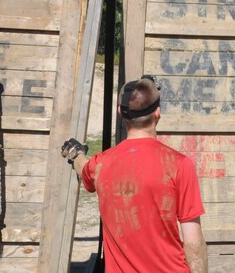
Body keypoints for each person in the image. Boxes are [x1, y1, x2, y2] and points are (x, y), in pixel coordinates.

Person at [62, 75, 207, 272]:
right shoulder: (179, 165)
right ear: (158, 112)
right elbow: (193, 244)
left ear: (120, 112)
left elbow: (83, 167)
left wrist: (75, 154)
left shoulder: (101, 165)